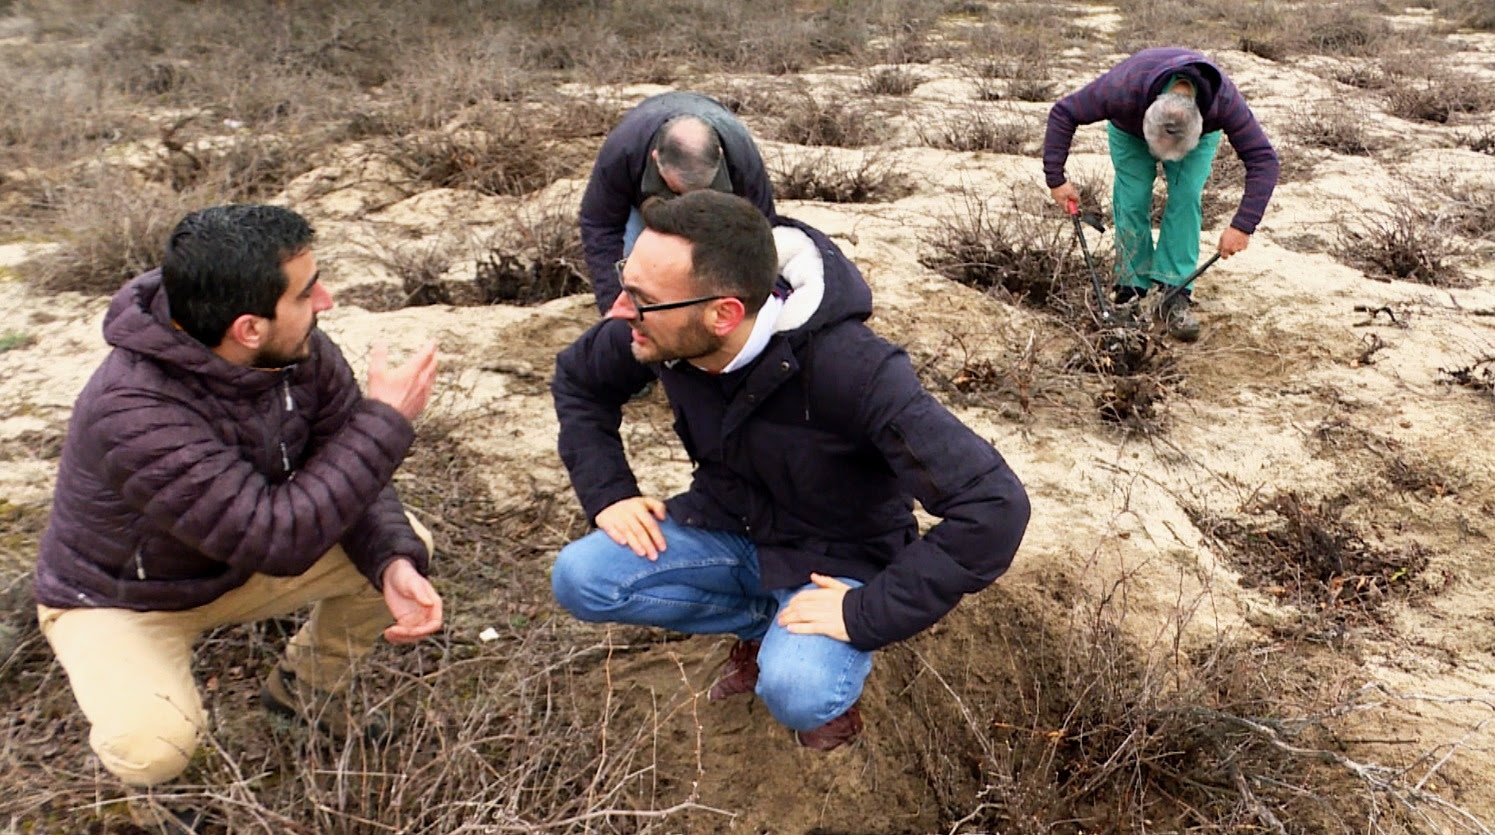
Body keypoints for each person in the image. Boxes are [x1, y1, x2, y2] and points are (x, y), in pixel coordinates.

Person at [550, 191, 1030, 751]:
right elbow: (580, 381)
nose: (621, 310)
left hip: (838, 560)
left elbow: (995, 505)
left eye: (640, 299)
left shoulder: (857, 370)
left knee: (799, 691)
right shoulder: (663, 327)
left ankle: (814, 667)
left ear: (723, 313)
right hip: (726, 524)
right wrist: (609, 492)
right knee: (581, 577)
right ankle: (766, 625)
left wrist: (864, 613)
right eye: (624, 285)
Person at [32, 204, 442, 824]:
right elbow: (278, 539)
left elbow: (343, 471)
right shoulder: (132, 410)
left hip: (230, 562)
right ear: (248, 328)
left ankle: (302, 695)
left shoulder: (298, 349)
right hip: (121, 599)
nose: (326, 301)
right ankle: (148, 804)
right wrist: (385, 422)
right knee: (152, 746)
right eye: (309, 292)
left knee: (403, 547)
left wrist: (388, 559)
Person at [1043, 47, 1280, 341]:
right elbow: (1064, 112)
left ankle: (1174, 291)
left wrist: (1243, 225)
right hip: (1130, 131)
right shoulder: (1121, 91)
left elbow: (1264, 160)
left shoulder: (1224, 103)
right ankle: (1131, 287)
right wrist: (1056, 179)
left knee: (1186, 195)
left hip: (1198, 134)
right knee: (1132, 197)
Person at [580, 90, 776, 314]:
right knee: (636, 268)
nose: (686, 202)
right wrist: (614, 302)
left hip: (715, 212)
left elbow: (762, 229)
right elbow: (600, 225)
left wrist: (758, 305)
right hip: (643, 204)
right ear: (656, 157)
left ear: (719, 155)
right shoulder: (623, 150)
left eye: (702, 189)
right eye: (676, 189)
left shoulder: (741, 155)